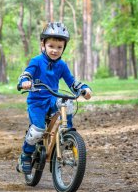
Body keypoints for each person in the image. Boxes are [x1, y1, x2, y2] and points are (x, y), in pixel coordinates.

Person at [16, 22, 92, 174]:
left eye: (59, 47)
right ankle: (26, 154)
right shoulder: (36, 61)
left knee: (68, 102)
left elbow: (71, 82)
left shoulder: (62, 65)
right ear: (43, 45)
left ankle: (68, 133)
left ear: (63, 48)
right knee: (38, 131)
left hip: (52, 99)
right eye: (51, 46)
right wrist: (25, 81)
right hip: (36, 102)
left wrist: (83, 89)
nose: (55, 50)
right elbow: (27, 73)